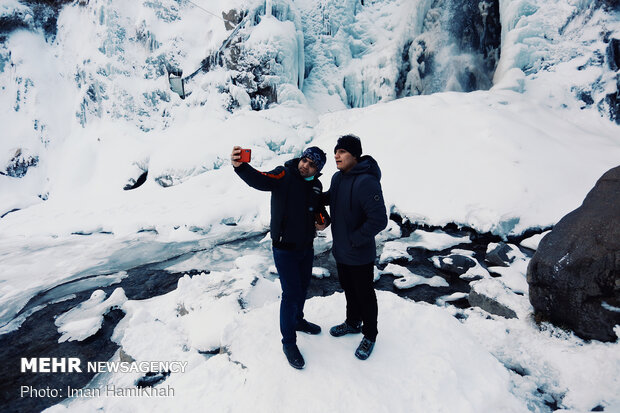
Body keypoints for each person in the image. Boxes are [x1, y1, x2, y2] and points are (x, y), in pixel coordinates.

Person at [231, 145, 329, 369]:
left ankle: (298, 321)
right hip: (284, 248)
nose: (305, 165)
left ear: (317, 169)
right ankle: (289, 343)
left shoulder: (316, 185)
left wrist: (324, 221)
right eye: (305, 160)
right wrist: (241, 167)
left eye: (312, 164)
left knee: (303, 288)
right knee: (291, 293)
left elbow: (319, 210)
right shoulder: (284, 174)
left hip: (306, 247)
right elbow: (261, 179)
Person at [323, 134, 387, 360]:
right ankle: (352, 323)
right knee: (349, 289)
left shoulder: (367, 181)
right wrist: (314, 197)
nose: (336, 155)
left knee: (365, 294)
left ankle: (370, 334)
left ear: (355, 155)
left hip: (359, 253)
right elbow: (332, 198)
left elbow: (379, 220)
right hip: (341, 250)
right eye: (335, 151)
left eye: (341, 152)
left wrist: (355, 239)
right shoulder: (337, 178)